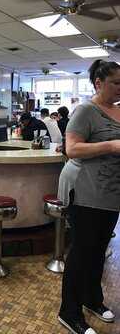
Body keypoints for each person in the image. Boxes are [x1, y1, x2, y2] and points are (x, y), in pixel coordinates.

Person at [57, 60, 120, 334]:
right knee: (82, 252)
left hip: (111, 192)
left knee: (98, 252)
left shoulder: (119, 112)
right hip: (85, 189)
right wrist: (111, 145)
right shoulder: (85, 110)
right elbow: (71, 149)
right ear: (98, 83)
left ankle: (92, 299)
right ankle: (69, 312)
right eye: (116, 82)